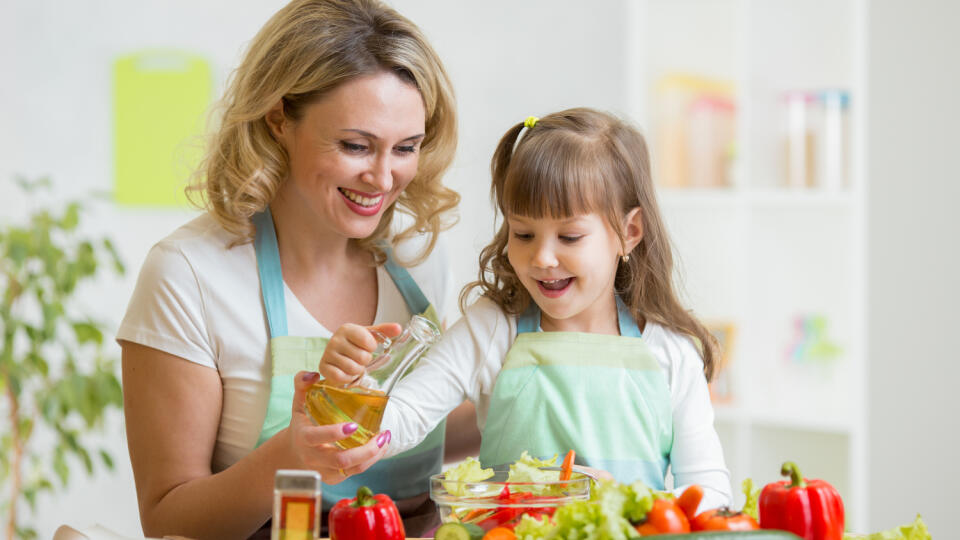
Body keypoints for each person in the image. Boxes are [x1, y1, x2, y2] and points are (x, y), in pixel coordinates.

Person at [116, 0, 480, 537]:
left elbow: (414, 424)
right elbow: (167, 515)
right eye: (356, 145)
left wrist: (523, 397)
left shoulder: (417, 253)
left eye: (406, 148)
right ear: (279, 117)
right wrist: (292, 453)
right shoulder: (188, 274)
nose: (383, 179)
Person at [320, 108, 734, 510]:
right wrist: (353, 399)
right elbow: (407, 414)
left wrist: (624, 500)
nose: (543, 258)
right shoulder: (493, 328)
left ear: (629, 233)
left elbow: (710, 492)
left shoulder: (670, 351)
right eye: (523, 233)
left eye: (569, 237)